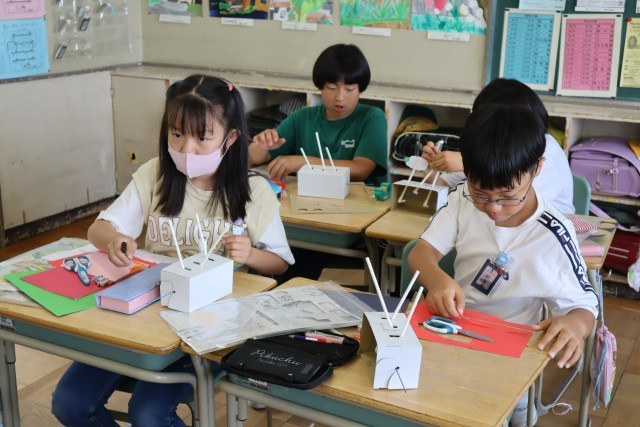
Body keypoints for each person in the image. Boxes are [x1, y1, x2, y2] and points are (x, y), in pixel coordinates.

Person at [51, 74, 294, 427]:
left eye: (202, 137)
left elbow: (280, 263)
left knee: (148, 414)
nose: (186, 148)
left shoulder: (252, 191)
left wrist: (251, 255)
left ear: (230, 138)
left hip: (209, 331)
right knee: (70, 402)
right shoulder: (155, 174)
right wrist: (114, 240)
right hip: (144, 317)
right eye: (176, 134)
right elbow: (98, 229)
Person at [408, 104, 598, 427]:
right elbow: (420, 253)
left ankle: (522, 410)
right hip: (453, 331)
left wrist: (575, 326)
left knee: (500, 412)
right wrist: (437, 280)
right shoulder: (462, 199)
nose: (493, 208)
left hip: (511, 349)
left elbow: (585, 305)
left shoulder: (553, 234)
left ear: (537, 169)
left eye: (508, 195)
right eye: (481, 193)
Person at [422, 78, 575, 214]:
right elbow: (450, 192)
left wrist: (468, 163)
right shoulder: (492, 143)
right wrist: (432, 171)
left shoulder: (545, 152)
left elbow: (513, 207)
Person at [248, 43, 388, 187]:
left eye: (349, 89)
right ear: (320, 87)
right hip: (309, 196)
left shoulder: (372, 117)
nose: (340, 97)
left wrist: (303, 162)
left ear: (360, 90)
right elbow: (254, 157)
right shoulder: (303, 118)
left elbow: (361, 169)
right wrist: (262, 145)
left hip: (358, 198)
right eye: (331, 88)